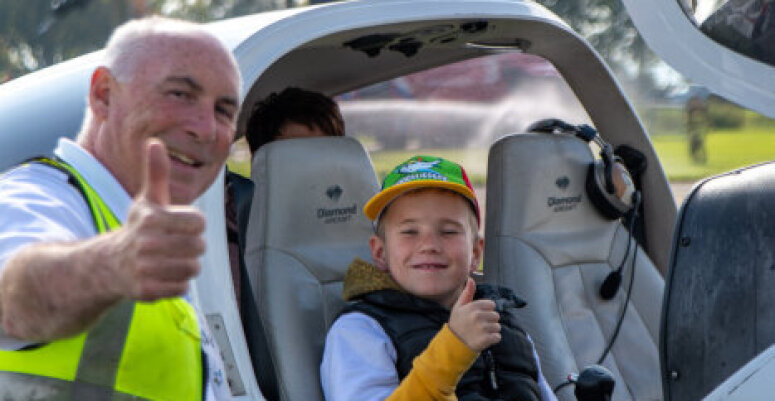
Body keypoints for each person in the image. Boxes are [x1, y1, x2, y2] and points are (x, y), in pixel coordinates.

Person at [0, 16, 241, 401]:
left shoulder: (143, 227)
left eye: (224, 111)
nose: (206, 129)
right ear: (104, 95)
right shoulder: (36, 197)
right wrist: (112, 264)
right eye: (179, 94)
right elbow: (10, 297)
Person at [320, 155, 558, 401]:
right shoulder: (362, 331)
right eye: (410, 232)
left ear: (475, 252)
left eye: (448, 231)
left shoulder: (501, 322)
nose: (429, 245)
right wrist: (453, 349)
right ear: (381, 253)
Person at [224, 87, 344, 401]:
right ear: (262, 162)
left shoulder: (375, 229)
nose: (312, 167)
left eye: (325, 151)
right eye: (295, 155)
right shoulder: (236, 233)